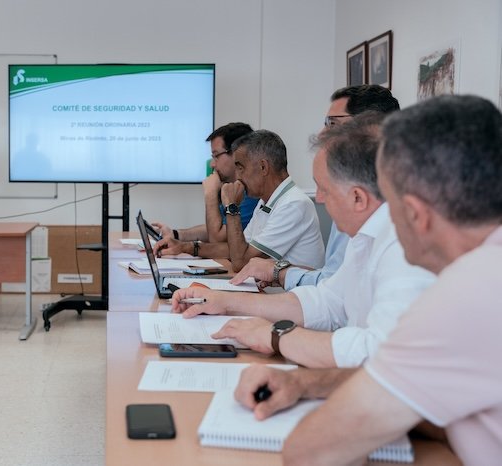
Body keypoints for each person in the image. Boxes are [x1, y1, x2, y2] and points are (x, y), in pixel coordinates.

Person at [269, 95, 502, 465]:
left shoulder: (471, 290)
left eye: (388, 205)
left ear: (414, 214)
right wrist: (306, 383)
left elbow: (310, 450)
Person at [171, 113, 434, 368]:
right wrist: (224, 301)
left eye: (324, 188)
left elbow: (378, 356)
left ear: (358, 198)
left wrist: (276, 337)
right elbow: (327, 301)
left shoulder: (403, 249)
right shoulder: (363, 238)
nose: (318, 198)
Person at [230, 84, 400, 292]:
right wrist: (280, 272)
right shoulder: (348, 201)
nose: (322, 134)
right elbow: (333, 283)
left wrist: (280, 273)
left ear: (370, 128)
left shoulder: (398, 220)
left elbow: (335, 296)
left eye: (332, 123)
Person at [154, 130, 325, 272]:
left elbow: (240, 262)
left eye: (240, 167)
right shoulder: (267, 201)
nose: (238, 176)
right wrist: (185, 247)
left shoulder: (293, 204)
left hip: (290, 303)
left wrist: (232, 206)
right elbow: (237, 249)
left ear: (263, 167)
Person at [153, 122, 258, 242]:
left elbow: (217, 240)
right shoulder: (234, 187)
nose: (212, 164)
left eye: (216, 155)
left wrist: (210, 194)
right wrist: (175, 234)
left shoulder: (251, 193)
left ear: (236, 154)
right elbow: (218, 229)